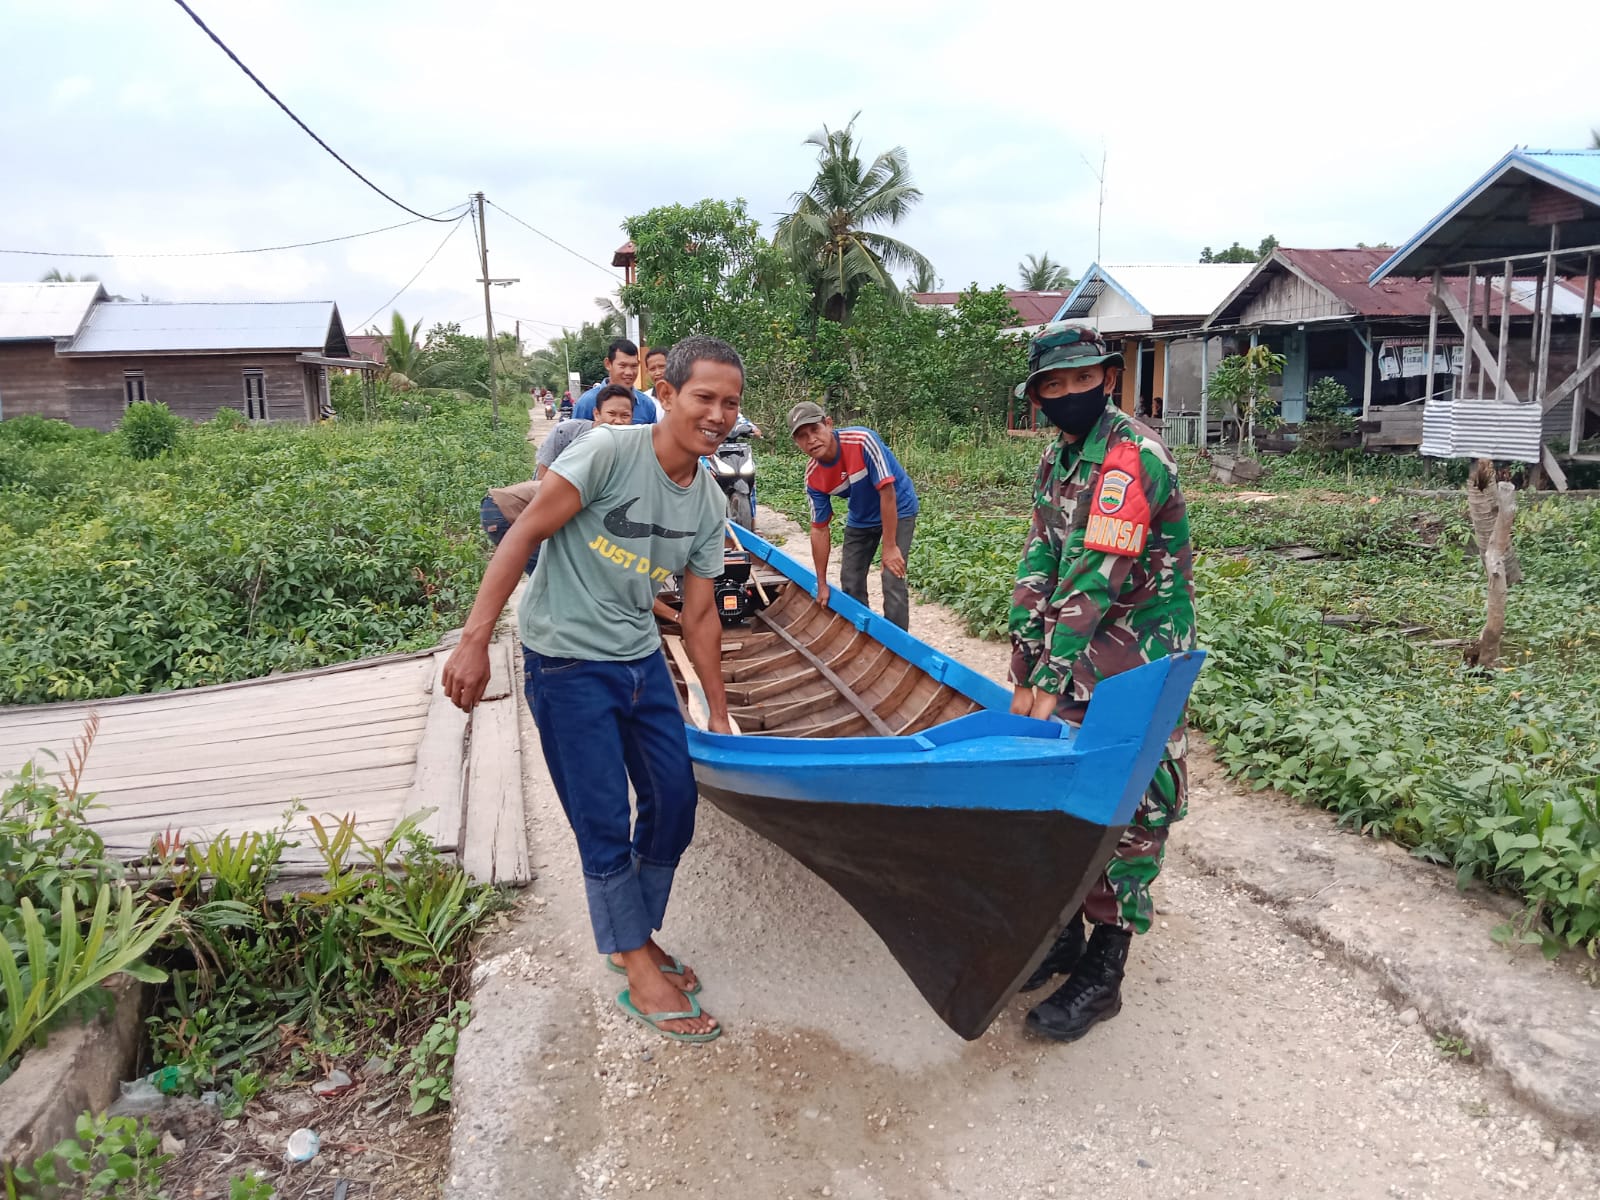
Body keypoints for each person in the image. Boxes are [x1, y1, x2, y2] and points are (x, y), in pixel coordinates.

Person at [442, 335, 744, 1043]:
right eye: (704, 397)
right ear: (665, 395)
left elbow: (700, 616)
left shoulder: (708, 500)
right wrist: (474, 641)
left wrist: (718, 712)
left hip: (639, 657)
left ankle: (631, 933)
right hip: (566, 660)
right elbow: (522, 535)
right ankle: (635, 961)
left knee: (674, 800)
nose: (718, 415)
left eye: (730, 403)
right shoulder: (608, 452)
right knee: (602, 815)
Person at [1006, 322, 1197, 1044]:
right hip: (1077, 657)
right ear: (1038, 396)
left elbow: (1094, 579)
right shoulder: (1060, 457)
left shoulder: (1129, 460)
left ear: (1107, 379)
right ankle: (1063, 936)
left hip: (1136, 663)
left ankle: (1106, 967)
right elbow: (1040, 559)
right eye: (1053, 385)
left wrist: (1048, 677)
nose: (1069, 393)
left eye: (1082, 379)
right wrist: (1024, 663)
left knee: (1133, 806)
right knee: (1066, 796)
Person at [789, 402, 919, 630]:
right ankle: (863, 636)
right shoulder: (813, 477)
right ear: (796, 442)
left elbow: (887, 492)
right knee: (850, 580)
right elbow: (819, 528)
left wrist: (889, 547)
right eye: (802, 436)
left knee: (892, 575)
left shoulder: (862, 441)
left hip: (898, 507)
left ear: (828, 424)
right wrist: (821, 583)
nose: (811, 440)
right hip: (862, 515)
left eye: (815, 430)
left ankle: (896, 643)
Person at [535, 384, 635, 480]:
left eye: (625, 415)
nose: (618, 421)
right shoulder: (565, 432)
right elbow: (542, 478)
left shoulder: (633, 446)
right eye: (612, 414)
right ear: (597, 414)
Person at [573, 338, 657, 424]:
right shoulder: (587, 402)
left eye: (634, 366)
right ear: (608, 364)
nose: (629, 372)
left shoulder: (647, 405)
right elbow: (576, 431)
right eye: (622, 365)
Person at [642, 346, 669, 421]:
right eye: (652, 369)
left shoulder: (682, 396)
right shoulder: (644, 400)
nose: (658, 373)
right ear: (647, 372)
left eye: (662, 367)